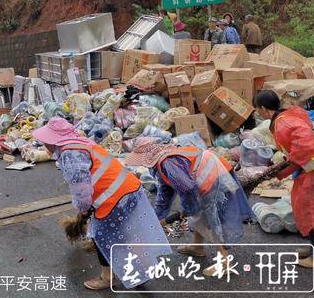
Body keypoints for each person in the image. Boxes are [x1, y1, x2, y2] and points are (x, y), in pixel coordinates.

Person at [33, 118, 171, 289]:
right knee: (129, 231)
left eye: (46, 139)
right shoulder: (82, 143)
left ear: (53, 139)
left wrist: (83, 210)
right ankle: (144, 269)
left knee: (100, 235)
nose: (44, 143)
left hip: (114, 198)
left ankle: (107, 278)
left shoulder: (70, 153)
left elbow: (81, 189)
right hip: (130, 189)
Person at [125, 137, 254, 276]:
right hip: (209, 170)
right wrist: (157, 218)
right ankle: (197, 246)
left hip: (213, 175)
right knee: (199, 215)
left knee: (209, 219)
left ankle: (224, 261)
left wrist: (189, 209)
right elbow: (165, 193)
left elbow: (187, 188)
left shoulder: (168, 162)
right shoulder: (161, 162)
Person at [254, 90, 314, 269]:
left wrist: (291, 161)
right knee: (303, 206)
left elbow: (304, 142)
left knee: (310, 209)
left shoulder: (283, 123)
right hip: (310, 167)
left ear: (264, 109)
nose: (258, 113)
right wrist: (281, 170)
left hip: (313, 168)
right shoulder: (285, 117)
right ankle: (313, 248)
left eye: (258, 109)